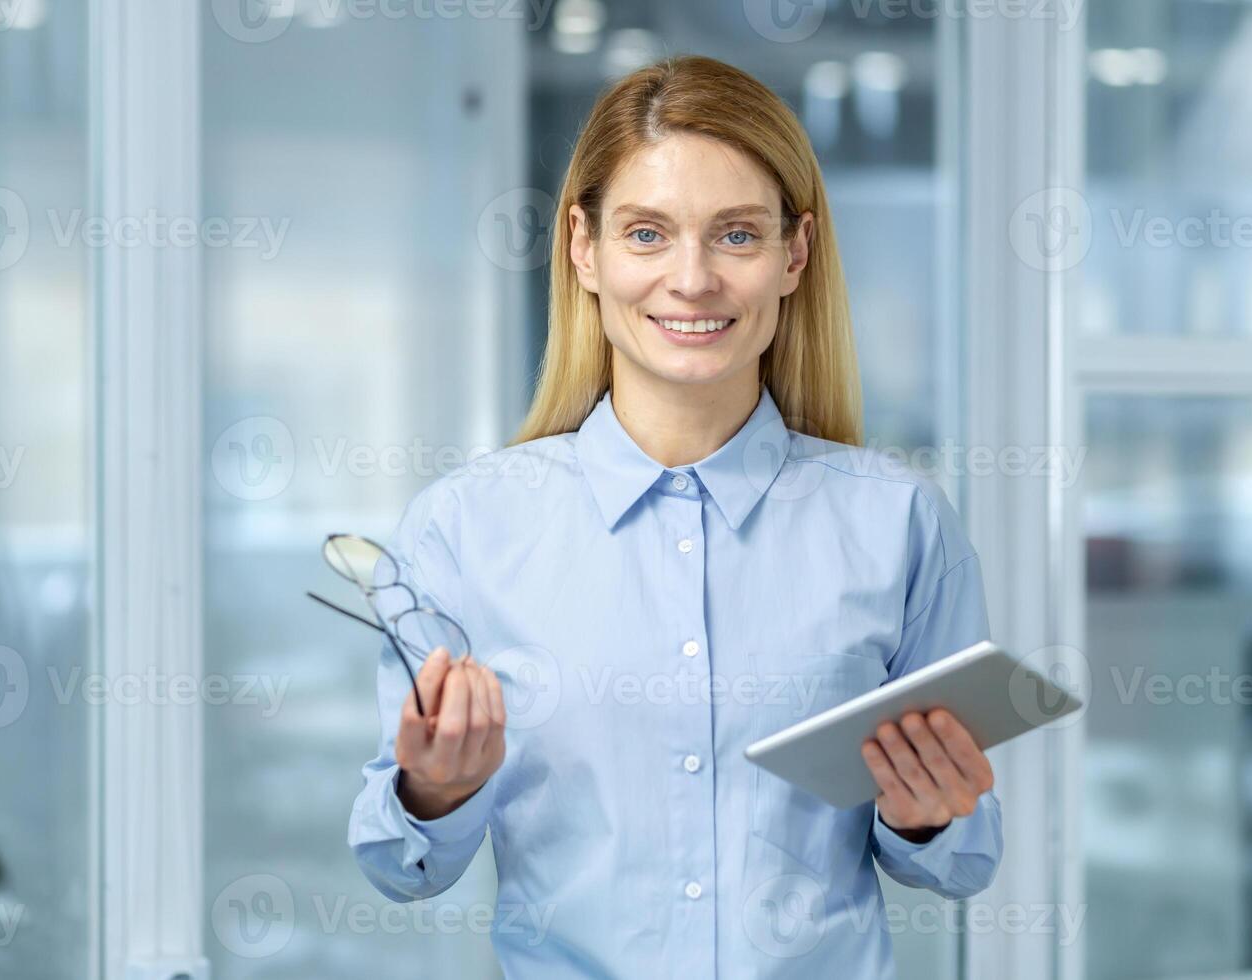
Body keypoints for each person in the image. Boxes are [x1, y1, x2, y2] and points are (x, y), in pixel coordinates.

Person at [349, 55, 1001, 978]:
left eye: (735, 236)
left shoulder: (898, 524)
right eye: (647, 234)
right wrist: (434, 791)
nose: (691, 280)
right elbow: (398, 864)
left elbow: (964, 857)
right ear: (584, 248)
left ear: (794, 254)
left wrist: (928, 811)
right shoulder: (465, 530)